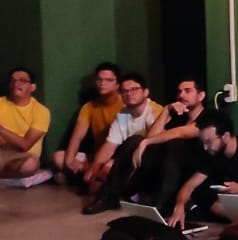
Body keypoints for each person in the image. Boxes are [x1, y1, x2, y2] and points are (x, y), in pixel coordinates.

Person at [82, 76, 206, 215]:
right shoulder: (179, 117)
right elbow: (151, 137)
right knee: (134, 140)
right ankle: (107, 197)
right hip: (166, 169)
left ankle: (160, 204)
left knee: (173, 143)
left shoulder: (209, 116)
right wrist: (166, 110)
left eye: (187, 91)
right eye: (179, 91)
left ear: (201, 95)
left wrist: (145, 142)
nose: (181, 95)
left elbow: (180, 133)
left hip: (192, 172)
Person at [83, 71, 163, 192]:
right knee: (97, 178)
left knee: (110, 168)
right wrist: (93, 169)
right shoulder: (122, 114)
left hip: (150, 161)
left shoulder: (154, 111)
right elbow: (110, 146)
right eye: (125, 91)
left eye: (134, 89)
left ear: (145, 92)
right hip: (128, 159)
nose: (129, 94)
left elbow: (156, 143)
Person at [0, 67, 51, 180]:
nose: (16, 83)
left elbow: (25, 145)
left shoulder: (41, 111)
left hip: (22, 157)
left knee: (31, 165)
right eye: (13, 80)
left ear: (32, 87)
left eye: (22, 80)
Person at [53, 62, 122, 186]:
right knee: (59, 157)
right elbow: (77, 137)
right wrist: (70, 161)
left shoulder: (125, 105)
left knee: (110, 167)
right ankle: (93, 176)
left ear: (118, 84)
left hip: (115, 157)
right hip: (96, 156)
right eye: (99, 80)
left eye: (108, 80)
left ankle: (86, 178)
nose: (102, 83)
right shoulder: (89, 107)